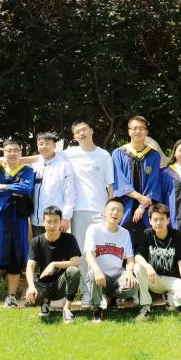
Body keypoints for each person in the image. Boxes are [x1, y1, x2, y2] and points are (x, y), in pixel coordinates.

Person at [63, 120, 115, 307]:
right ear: (74, 137)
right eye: (78, 131)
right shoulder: (69, 154)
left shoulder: (104, 155)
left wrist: (110, 209)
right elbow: (45, 154)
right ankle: (87, 294)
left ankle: (104, 292)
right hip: (79, 211)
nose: (82, 133)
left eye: (84, 129)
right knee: (84, 253)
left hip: (100, 210)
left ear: (91, 131)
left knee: (102, 252)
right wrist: (4, 159)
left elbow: (110, 186)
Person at [0, 139, 35, 308]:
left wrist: (3, 187)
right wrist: (14, 190)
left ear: (21, 152)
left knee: (16, 256)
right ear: (3, 153)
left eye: (16, 150)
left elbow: (26, 189)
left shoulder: (27, 171)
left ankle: (11, 297)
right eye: (9, 150)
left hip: (17, 217)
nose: (12, 153)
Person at [83, 198, 140, 323]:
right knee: (92, 274)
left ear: (123, 215)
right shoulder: (93, 229)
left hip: (117, 274)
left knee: (133, 285)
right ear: (104, 212)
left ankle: (112, 297)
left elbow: (130, 258)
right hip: (100, 275)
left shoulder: (125, 233)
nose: (115, 213)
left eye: (119, 210)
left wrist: (129, 272)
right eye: (112, 209)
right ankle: (97, 309)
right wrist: (97, 271)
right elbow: (89, 255)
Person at [132, 204, 181, 319]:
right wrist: (149, 268)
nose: (158, 223)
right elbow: (138, 256)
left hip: (171, 279)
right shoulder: (147, 234)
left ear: (168, 220)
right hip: (153, 278)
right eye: (155, 219)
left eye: (162, 219)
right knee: (138, 267)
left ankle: (170, 300)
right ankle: (146, 304)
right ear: (150, 221)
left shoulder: (176, 235)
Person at [24, 206, 81, 323]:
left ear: (61, 222)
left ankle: (67, 308)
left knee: (74, 271)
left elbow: (76, 262)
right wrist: (31, 286)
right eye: (49, 222)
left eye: (56, 221)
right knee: (30, 300)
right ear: (43, 222)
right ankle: (45, 303)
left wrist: (54, 264)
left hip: (61, 284)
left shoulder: (69, 239)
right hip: (43, 284)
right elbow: (30, 266)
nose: (52, 225)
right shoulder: (36, 241)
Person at [111, 115, 163, 238]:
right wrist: (139, 197)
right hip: (125, 207)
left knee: (146, 242)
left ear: (146, 132)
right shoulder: (118, 153)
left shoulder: (154, 155)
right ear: (129, 131)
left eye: (141, 128)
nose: (138, 131)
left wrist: (142, 206)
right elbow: (119, 181)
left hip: (146, 208)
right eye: (134, 128)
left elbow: (153, 183)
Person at [29, 132, 76, 237]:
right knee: (39, 245)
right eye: (41, 144)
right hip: (37, 220)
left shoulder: (63, 165)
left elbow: (69, 193)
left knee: (56, 246)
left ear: (54, 145)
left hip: (55, 219)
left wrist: (66, 217)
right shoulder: (34, 165)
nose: (43, 147)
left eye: (47, 143)